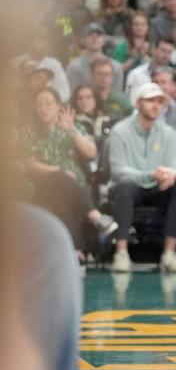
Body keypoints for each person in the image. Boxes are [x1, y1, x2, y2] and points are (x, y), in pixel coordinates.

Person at [18, 88, 116, 263]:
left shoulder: (72, 126)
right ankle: (95, 217)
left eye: (48, 103)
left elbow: (92, 153)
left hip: (75, 186)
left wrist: (72, 131)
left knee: (61, 195)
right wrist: (59, 171)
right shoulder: (28, 132)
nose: (43, 108)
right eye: (39, 104)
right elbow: (29, 165)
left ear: (58, 107)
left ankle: (76, 250)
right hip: (43, 185)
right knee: (58, 181)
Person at [106, 82, 176, 273]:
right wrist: (148, 174)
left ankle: (169, 253)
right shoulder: (120, 131)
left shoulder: (168, 133)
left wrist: (170, 176)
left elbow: (175, 164)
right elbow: (119, 170)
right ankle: (121, 253)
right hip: (129, 186)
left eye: (159, 101)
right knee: (126, 186)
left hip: (157, 186)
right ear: (137, 103)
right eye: (151, 100)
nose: (156, 105)